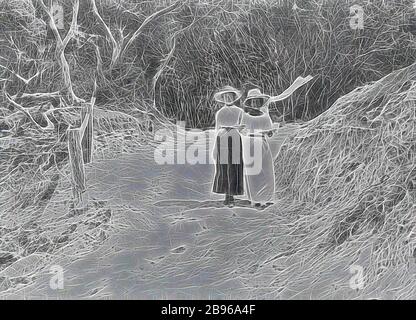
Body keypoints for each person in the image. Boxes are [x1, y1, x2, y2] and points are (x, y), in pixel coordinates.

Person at [240, 88, 276, 207]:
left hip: (262, 143)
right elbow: (242, 130)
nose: (255, 103)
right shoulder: (246, 116)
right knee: (253, 171)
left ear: (260, 102)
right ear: (249, 104)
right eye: (252, 101)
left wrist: (270, 132)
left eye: (257, 101)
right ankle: (255, 199)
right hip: (249, 144)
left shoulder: (265, 117)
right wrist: (243, 130)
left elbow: (269, 133)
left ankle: (268, 197)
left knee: (267, 170)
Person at [211, 86, 245, 207]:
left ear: (234, 97)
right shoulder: (219, 113)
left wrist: (240, 130)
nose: (228, 98)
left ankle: (232, 193)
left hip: (235, 138)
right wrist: (215, 147)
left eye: (230, 96)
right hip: (222, 138)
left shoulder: (240, 111)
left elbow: (244, 127)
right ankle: (226, 194)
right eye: (225, 96)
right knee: (224, 165)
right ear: (223, 98)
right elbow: (217, 129)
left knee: (234, 164)